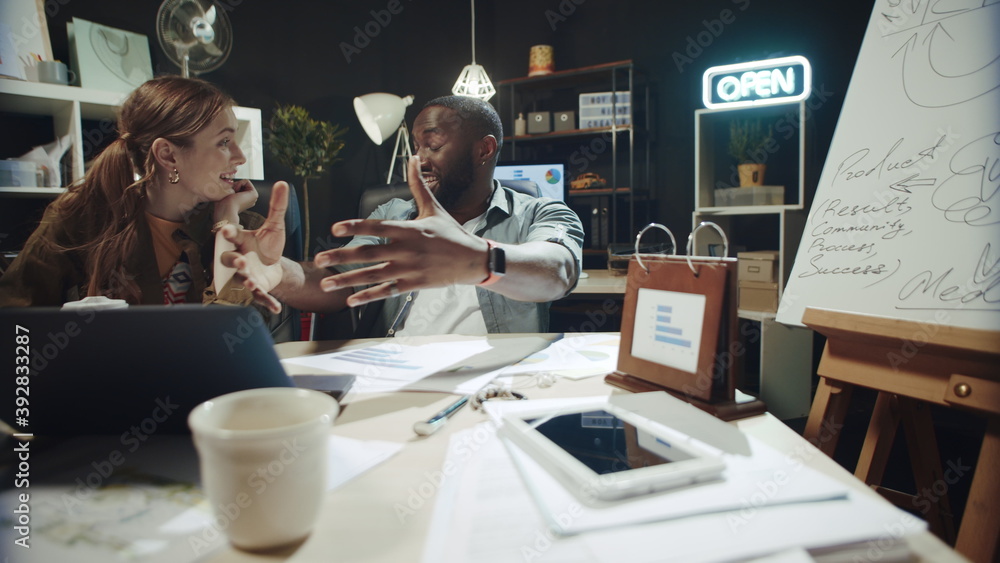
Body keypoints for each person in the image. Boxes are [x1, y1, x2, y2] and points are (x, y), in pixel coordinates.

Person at [222, 95, 584, 336]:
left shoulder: (540, 212)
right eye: (416, 146)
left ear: (484, 149)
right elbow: (337, 281)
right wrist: (279, 272)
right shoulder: (393, 215)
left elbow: (558, 270)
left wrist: (481, 261)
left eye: (434, 144)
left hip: (496, 386)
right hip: (395, 379)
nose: (419, 159)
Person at [0, 76, 286, 310]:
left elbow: (230, 337)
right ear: (168, 155)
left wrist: (226, 219)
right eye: (224, 142)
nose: (240, 157)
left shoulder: (243, 226)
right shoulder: (80, 218)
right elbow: (15, 321)